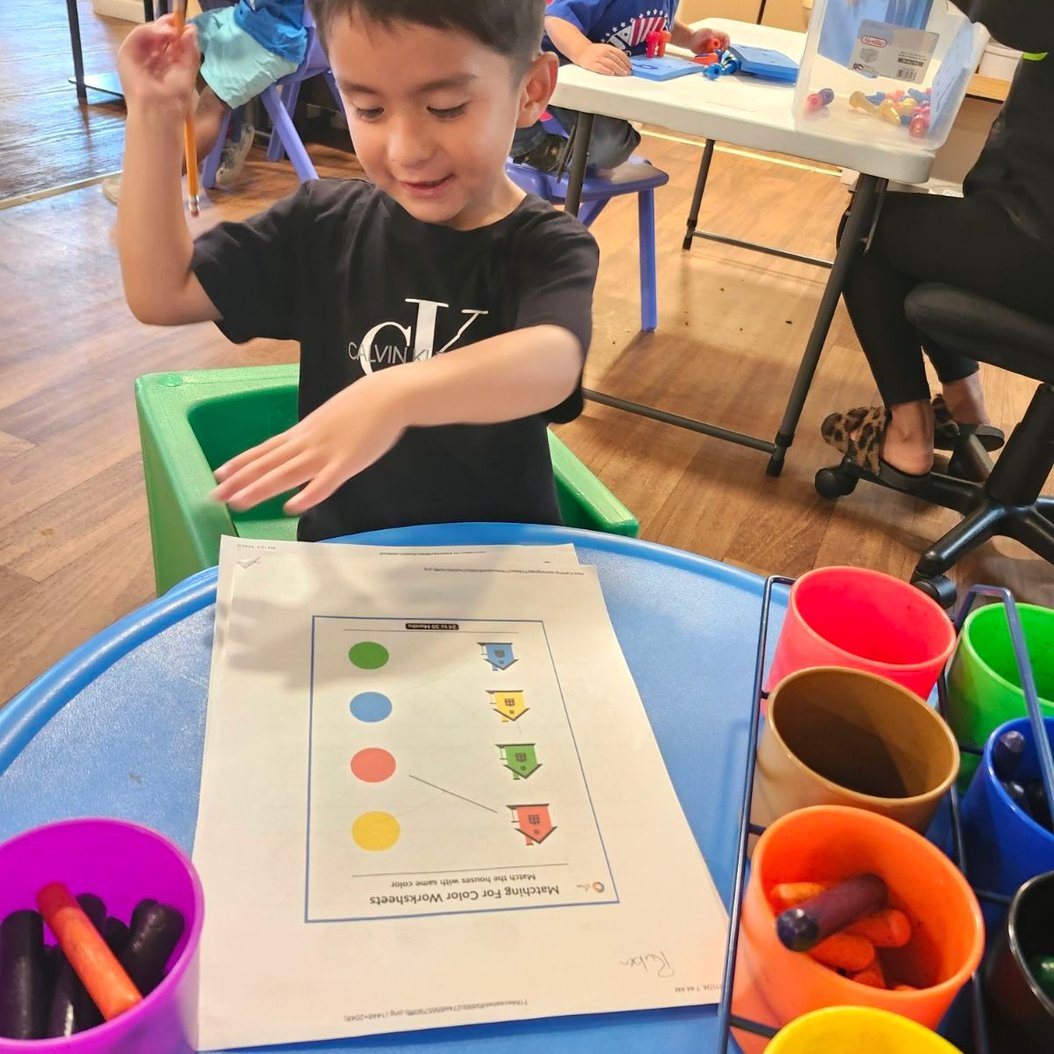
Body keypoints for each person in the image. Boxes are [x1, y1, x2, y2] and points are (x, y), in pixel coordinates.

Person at [113, 0, 599, 542]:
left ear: (531, 91)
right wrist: (153, 119)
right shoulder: (322, 224)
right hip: (347, 562)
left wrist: (393, 396)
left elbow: (553, 361)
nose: (407, 150)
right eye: (368, 110)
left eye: (445, 107)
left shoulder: (548, 246)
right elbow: (162, 293)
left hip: (498, 563)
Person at [822, 0, 1054, 484]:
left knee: (866, 233)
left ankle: (908, 437)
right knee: (928, 241)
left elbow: (1028, 16)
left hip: (1037, 243)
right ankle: (965, 409)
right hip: (1029, 229)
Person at [103, 0, 308, 203]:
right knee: (180, 44)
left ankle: (152, 185)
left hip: (275, 39)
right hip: (247, 19)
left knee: (211, 104)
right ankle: (232, 132)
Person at [512, 1, 729, 174]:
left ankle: (572, 152)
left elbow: (659, 22)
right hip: (557, 68)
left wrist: (691, 39)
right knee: (611, 149)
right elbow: (556, 19)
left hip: (602, 81)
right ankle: (531, 147)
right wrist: (584, 51)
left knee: (614, 150)